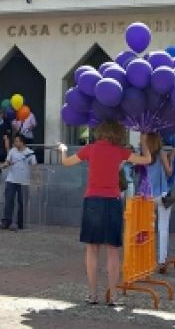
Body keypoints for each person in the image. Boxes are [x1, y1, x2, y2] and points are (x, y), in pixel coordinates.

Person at [58, 120, 151, 306]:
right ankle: (114, 295)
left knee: (92, 249)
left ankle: (92, 294)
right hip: (113, 201)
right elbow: (147, 160)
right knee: (113, 251)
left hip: (93, 200)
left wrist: (62, 149)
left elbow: (66, 162)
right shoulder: (119, 151)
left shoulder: (90, 149)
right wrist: (144, 141)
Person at [145, 133, 175, 273]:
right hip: (162, 194)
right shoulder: (161, 153)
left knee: (147, 228)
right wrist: (172, 157)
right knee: (163, 228)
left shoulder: (144, 154)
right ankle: (162, 261)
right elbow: (169, 172)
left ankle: (146, 259)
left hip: (147, 195)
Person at [0, 134, 37, 230]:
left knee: (22, 202)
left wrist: (36, 181)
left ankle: (21, 222)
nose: (15, 143)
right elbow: (7, 161)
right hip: (11, 180)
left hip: (24, 182)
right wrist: (4, 165)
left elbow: (34, 168)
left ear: (22, 142)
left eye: (17, 141)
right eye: (15, 141)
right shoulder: (12, 151)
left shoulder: (30, 153)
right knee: (8, 201)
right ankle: (6, 221)